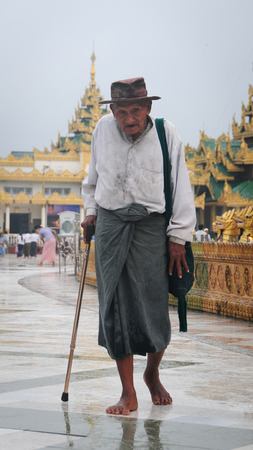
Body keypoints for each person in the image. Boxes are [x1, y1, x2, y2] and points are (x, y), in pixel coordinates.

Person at [81, 77, 196, 415]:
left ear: (148, 108)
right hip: (112, 223)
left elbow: (180, 184)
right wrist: (90, 213)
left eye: (135, 111)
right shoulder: (102, 130)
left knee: (153, 303)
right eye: (121, 111)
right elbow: (92, 180)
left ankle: (152, 373)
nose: (128, 119)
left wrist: (178, 236)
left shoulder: (166, 133)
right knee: (114, 306)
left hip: (151, 225)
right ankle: (127, 392)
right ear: (112, 110)